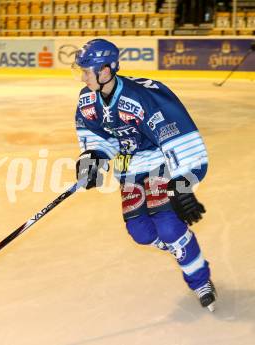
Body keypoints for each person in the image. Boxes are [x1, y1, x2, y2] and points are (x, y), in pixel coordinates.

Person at [73, 39, 216, 311]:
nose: (83, 77)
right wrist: (93, 156)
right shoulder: (87, 98)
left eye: (87, 71)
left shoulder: (141, 98)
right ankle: (181, 247)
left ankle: (199, 280)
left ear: (105, 71)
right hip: (130, 167)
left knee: (169, 225)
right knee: (140, 232)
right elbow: (97, 136)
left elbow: (177, 134)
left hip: (160, 162)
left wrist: (183, 183)